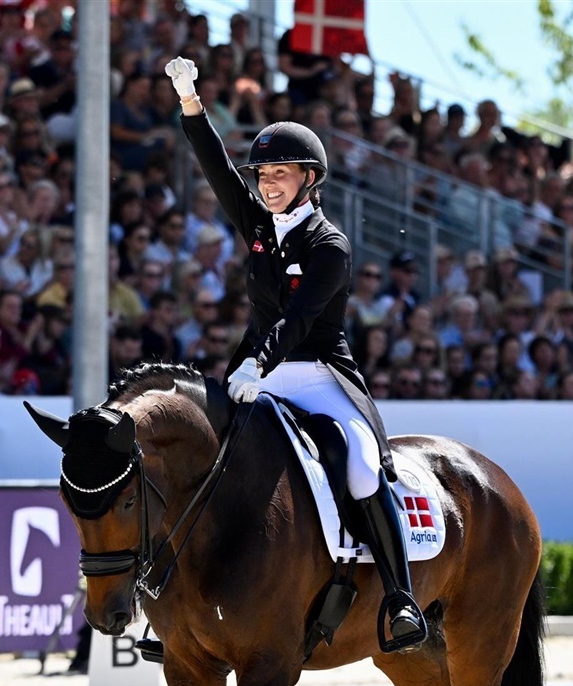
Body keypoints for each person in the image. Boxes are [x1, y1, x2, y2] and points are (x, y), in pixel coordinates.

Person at [168, 56, 426, 653]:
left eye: (280, 173)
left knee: (360, 467)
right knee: (203, 467)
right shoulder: (260, 226)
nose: (267, 184)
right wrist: (190, 103)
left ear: (310, 178)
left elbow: (300, 318)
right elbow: (217, 169)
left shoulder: (329, 244)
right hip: (257, 376)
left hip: (318, 378)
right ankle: (180, 608)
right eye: (263, 175)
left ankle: (400, 598)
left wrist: (259, 364)